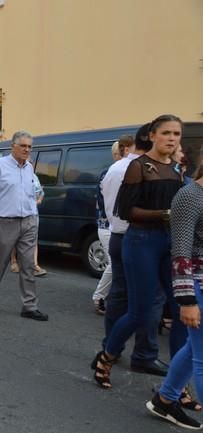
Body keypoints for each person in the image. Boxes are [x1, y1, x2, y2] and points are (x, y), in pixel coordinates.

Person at [93, 114, 188, 389]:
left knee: (182, 308)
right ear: (152, 136)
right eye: (166, 133)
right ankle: (106, 356)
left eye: (176, 134)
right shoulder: (139, 166)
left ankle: (177, 382)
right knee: (141, 311)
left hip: (169, 242)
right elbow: (126, 211)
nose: (172, 138)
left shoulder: (178, 169)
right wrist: (165, 214)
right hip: (140, 241)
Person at [98, 127, 169, 377]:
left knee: (120, 295)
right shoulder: (144, 169)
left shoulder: (114, 169)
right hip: (140, 237)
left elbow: (108, 203)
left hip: (118, 235)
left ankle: (111, 347)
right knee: (152, 298)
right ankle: (144, 354)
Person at [145, 152, 203, 430]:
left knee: (195, 347)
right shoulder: (189, 196)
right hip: (197, 285)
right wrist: (187, 300)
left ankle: (165, 400)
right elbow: (180, 252)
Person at [0, 131, 48, 321]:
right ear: (13, 146)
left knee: (28, 265)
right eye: (23, 146)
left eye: (29, 147)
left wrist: (34, 212)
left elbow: (32, 192)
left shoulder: (29, 167)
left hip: (28, 220)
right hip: (5, 222)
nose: (27, 150)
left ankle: (29, 306)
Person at [91, 136, 134, 314]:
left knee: (120, 263)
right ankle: (99, 296)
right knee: (114, 263)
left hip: (112, 225)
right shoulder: (111, 172)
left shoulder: (119, 171)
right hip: (108, 226)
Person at [9, 171, 47, 277]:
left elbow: (41, 192)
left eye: (30, 162)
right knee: (16, 237)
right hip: (17, 211)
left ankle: (34, 264)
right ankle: (13, 261)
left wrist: (39, 200)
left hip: (33, 211)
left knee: (33, 237)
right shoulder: (14, 175)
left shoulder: (34, 177)